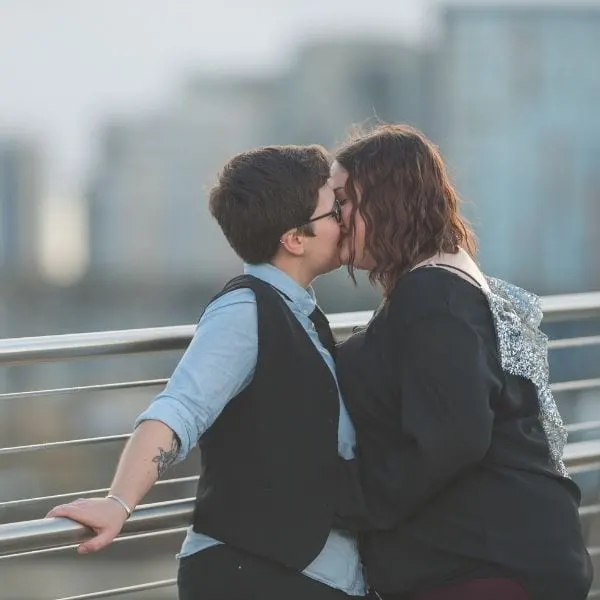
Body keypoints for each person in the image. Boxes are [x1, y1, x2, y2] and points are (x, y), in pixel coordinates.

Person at [47, 144, 369, 600]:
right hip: (255, 576)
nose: (347, 217)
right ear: (294, 238)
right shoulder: (244, 312)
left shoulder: (298, 314)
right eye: (334, 209)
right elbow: (179, 408)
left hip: (302, 574)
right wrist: (118, 502)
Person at [329, 124, 593, 600]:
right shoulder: (446, 283)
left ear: (388, 200)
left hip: (486, 566)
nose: (335, 216)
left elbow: (455, 436)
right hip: (499, 556)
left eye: (344, 199)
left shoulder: (433, 295)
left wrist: (342, 496)